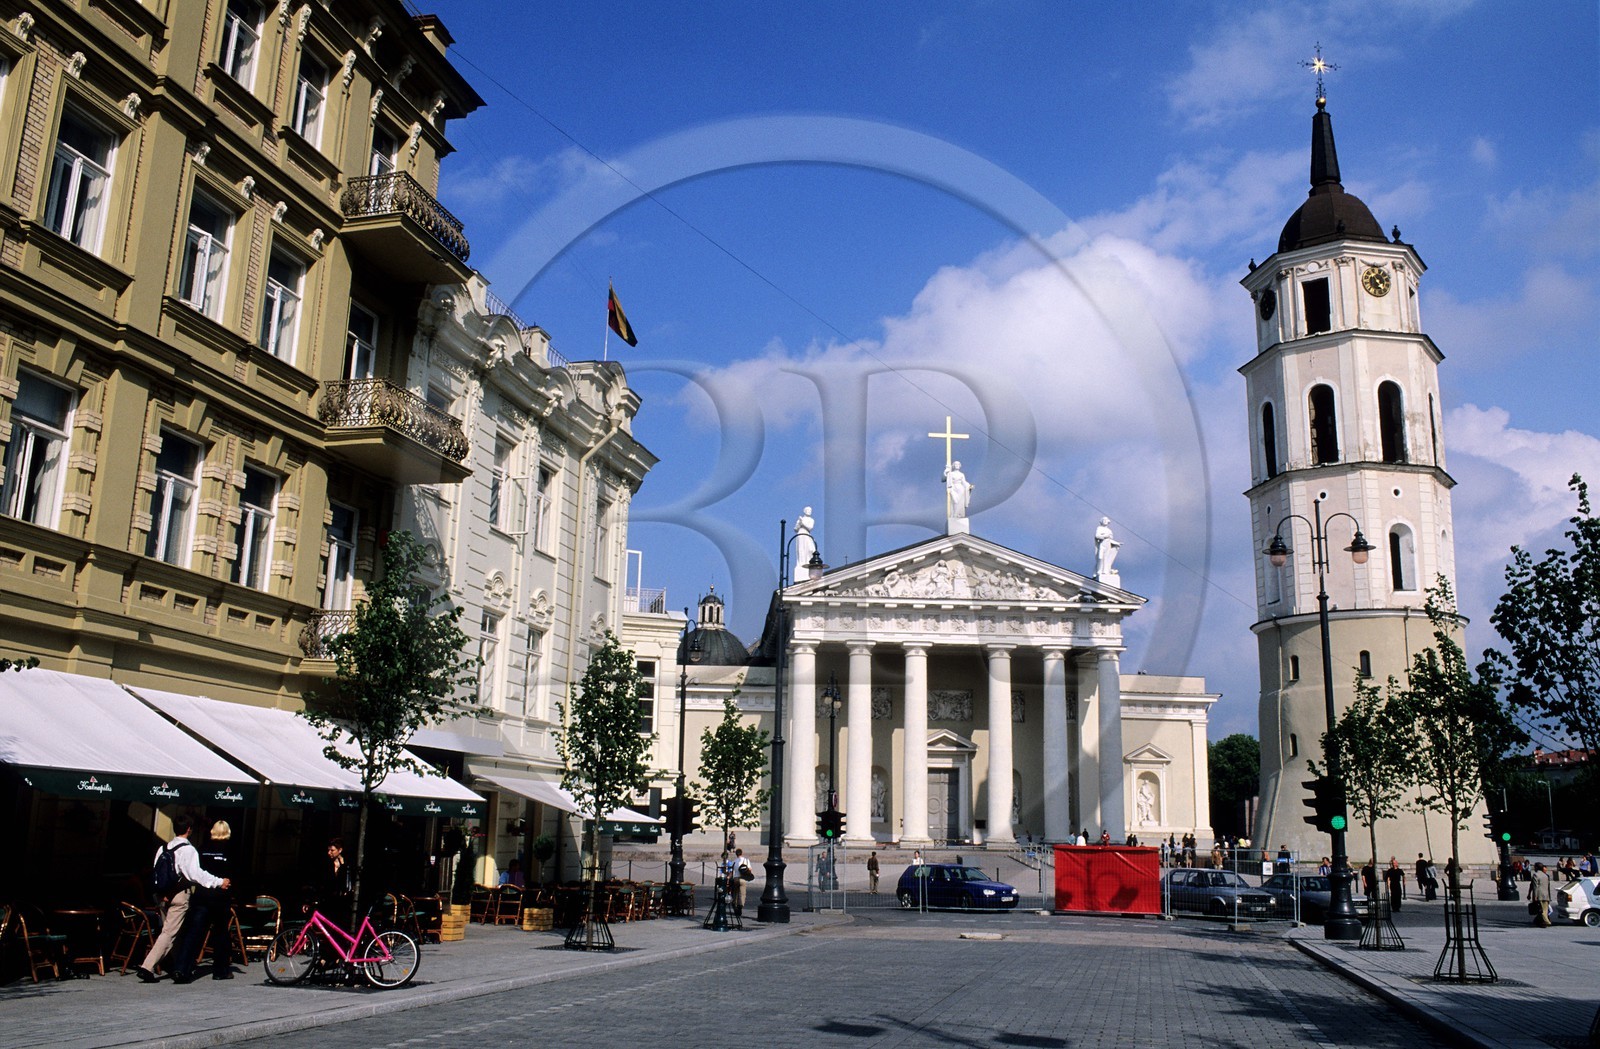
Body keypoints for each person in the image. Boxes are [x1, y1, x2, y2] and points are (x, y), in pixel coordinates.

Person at [137, 814, 231, 983]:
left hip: (162, 895)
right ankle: (147, 967)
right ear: (189, 830)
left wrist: (162, 893)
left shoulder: (163, 848)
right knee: (169, 932)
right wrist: (218, 882)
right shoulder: (188, 850)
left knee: (175, 931)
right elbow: (195, 874)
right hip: (179, 895)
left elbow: (157, 873)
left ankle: (179, 965)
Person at [170, 820, 237, 982]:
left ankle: (182, 968)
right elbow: (235, 873)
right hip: (220, 896)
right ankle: (220, 970)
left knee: (194, 933)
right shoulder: (231, 850)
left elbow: (196, 872)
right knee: (221, 933)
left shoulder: (202, 848)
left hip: (201, 896)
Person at [1529, 862, 1553, 927]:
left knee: (1541, 910)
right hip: (1546, 895)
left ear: (1536, 867)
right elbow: (1548, 887)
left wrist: (1535, 896)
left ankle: (1547, 921)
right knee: (1545, 910)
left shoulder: (1536, 875)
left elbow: (1535, 887)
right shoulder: (1545, 876)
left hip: (1539, 895)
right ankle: (1542, 921)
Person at [730, 848, 751, 918]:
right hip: (743, 878)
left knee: (735, 893)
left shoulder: (734, 861)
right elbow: (750, 869)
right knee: (742, 894)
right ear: (742, 853)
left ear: (736, 854)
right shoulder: (746, 860)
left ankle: (735, 904)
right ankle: (740, 906)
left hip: (736, 878)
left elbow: (731, 872)